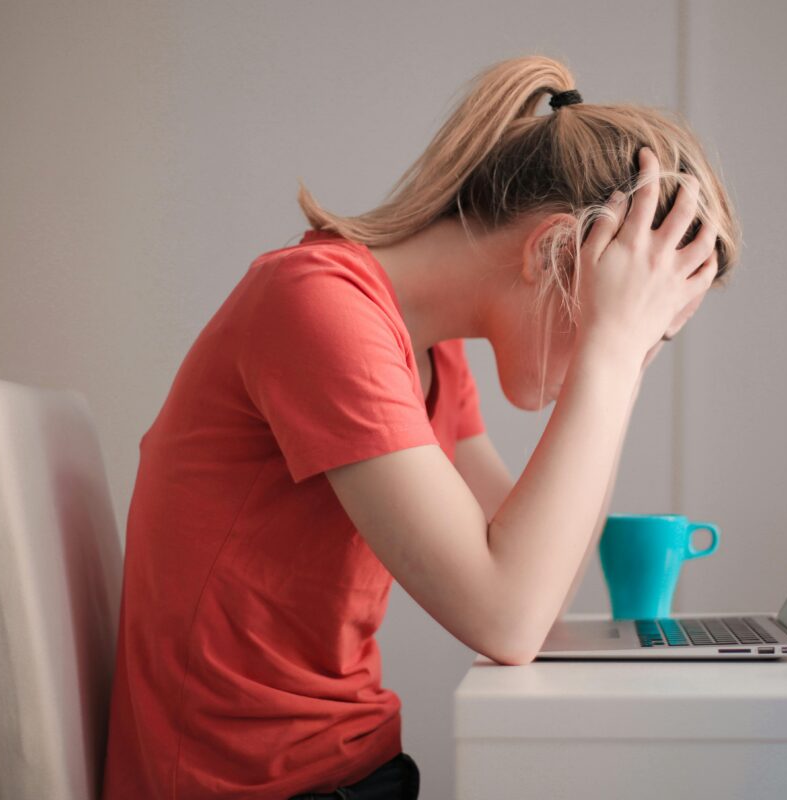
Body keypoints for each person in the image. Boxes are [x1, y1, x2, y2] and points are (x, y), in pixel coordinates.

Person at [101, 54, 741, 799]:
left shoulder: (429, 355)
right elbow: (508, 618)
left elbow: (542, 582)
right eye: (631, 315)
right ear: (551, 252)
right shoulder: (317, 308)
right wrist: (612, 351)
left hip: (353, 773)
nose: (629, 345)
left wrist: (622, 362)